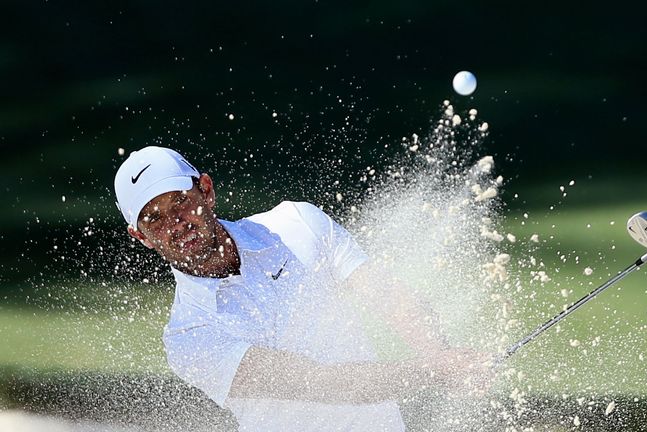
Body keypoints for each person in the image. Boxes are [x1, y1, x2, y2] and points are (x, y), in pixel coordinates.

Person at [114, 146, 491, 431]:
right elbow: (320, 382)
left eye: (180, 201)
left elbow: (386, 294)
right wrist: (432, 371)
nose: (176, 223)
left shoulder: (297, 225)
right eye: (154, 218)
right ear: (140, 236)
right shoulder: (188, 337)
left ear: (206, 191)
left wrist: (440, 351)